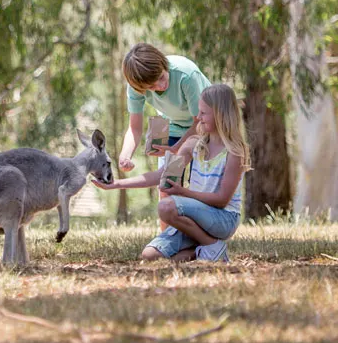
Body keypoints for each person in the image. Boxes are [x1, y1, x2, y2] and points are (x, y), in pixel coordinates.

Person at [94, 83, 250, 263]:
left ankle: (211, 245)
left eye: (203, 113)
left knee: (166, 206)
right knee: (149, 256)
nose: (198, 118)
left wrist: (184, 193)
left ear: (220, 113)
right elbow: (161, 174)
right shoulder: (193, 143)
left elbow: (222, 199)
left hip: (223, 219)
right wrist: (116, 185)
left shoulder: (234, 153)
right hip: (195, 217)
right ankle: (202, 250)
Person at [117, 44, 211, 173]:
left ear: (163, 63)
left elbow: (200, 123)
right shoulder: (136, 87)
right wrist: (125, 155)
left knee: (199, 183)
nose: (161, 86)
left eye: (161, 77)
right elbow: (135, 128)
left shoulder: (186, 75)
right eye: (151, 87)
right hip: (174, 125)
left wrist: (176, 149)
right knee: (167, 182)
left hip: (206, 126)